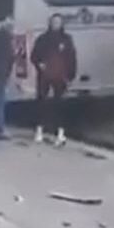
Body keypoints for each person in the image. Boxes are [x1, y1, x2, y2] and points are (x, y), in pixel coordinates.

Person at [30, 14, 77, 146]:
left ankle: (60, 133)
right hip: (44, 76)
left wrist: (70, 75)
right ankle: (39, 130)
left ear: (62, 24)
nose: (56, 24)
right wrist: (39, 64)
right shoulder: (43, 39)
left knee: (59, 104)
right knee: (42, 102)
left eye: (58, 22)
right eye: (54, 22)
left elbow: (71, 58)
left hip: (60, 76)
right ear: (50, 23)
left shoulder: (66, 39)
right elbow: (34, 56)